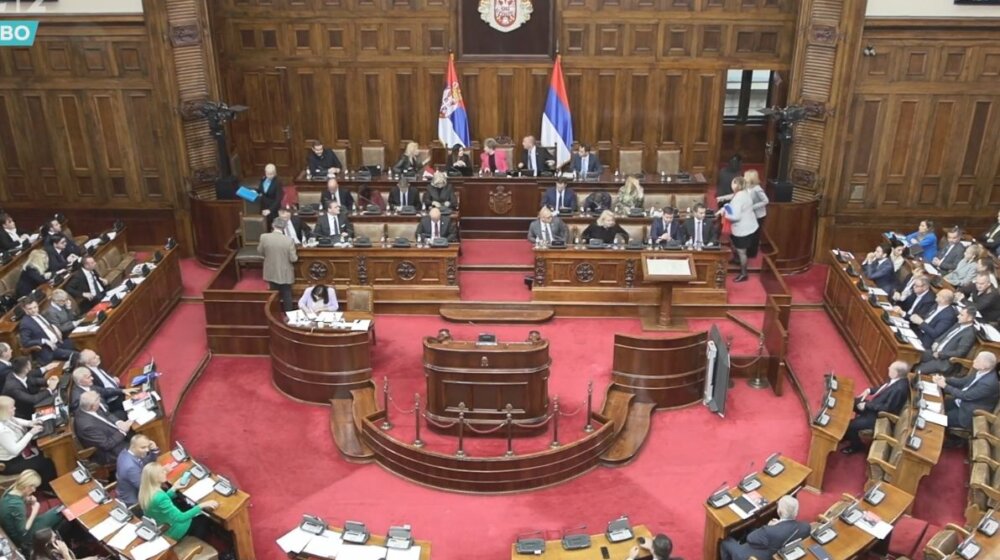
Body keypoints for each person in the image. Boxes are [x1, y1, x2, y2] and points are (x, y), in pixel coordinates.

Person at [840, 361, 911, 454]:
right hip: (874, 406)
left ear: (896, 373)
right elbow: (884, 389)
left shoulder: (899, 389)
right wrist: (869, 390)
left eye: (891, 368)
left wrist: (866, 405)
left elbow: (887, 408)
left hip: (878, 415)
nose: (888, 368)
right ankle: (847, 434)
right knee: (850, 402)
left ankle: (856, 446)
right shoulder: (897, 379)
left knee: (852, 425)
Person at [138, 463, 219, 541]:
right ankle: (198, 541)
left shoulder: (145, 492)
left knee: (186, 507)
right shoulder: (160, 496)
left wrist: (174, 488)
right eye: (162, 472)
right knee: (204, 518)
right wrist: (201, 505)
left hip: (164, 524)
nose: (165, 472)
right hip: (175, 530)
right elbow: (180, 518)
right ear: (155, 478)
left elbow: (158, 503)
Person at [720, 496, 811, 559]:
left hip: (761, 556)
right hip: (781, 552)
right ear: (796, 512)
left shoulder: (769, 530)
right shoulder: (806, 527)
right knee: (750, 529)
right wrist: (778, 525)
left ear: (779, 511)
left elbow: (750, 538)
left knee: (726, 542)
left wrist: (770, 526)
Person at [933, 351, 999, 432]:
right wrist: (945, 379)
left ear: (984, 366)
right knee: (934, 405)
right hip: (959, 402)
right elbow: (963, 381)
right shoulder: (981, 371)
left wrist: (945, 386)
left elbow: (966, 396)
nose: (974, 361)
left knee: (937, 419)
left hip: (966, 413)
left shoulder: (989, 383)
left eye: (977, 360)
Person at [0, 470, 63, 554]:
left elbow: (12, 507)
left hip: (10, 528)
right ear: (27, 486)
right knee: (59, 511)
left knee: (55, 512)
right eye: (33, 487)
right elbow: (23, 531)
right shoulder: (17, 505)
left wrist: (26, 499)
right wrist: (35, 510)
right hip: (22, 537)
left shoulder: (10, 490)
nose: (34, 490)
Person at [0, 396, 57, 485]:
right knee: (45, 463)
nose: (15, 408)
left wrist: (30, 423)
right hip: (10, 462)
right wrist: (31, 433)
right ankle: (48, 487)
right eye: (11, 408)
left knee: (45, 450)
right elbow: (15, 451)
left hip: (21, 452)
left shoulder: (5, 417)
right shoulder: (2, 431)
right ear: (4, 411)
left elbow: (16, 420)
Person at [73, 391, 133, 465]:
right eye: (98, 402)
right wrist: (122, 432)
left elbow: (107, 414)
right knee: (140, 448)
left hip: (113, 433)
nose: (100, 404)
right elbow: (106, 445)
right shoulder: (87, 426)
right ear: (93, 406)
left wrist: (119, 423)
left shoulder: (87, 407)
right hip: (110, 452)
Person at [916, 304, 977, 375]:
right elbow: (946, 334)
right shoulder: (958, 324)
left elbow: (960, 353)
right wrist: (937, 341)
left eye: (961, 315)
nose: (958, 316)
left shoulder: (969, 334)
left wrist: (940, 354)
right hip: (935, 352)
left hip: (945, 362)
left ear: (970, 318)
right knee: (914, 355)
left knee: (917, 370)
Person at [257, 218, 298, 312]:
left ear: (273, 225)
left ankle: (273, 312)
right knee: (287, 294)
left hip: (270, 270)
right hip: (285, 273)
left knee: (273, 294)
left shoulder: (264, 237)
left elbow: (260, 251)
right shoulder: (289, 240)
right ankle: (288, 314)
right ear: (284, 227)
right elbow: (293, 259)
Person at [18, 300, 77, 365]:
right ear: (25, 310)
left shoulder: (39, 315)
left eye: (35, 307)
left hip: (59, 342)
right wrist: (43, 341)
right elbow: (25, 342)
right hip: (49, 350)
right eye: (30, 309)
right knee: (76, 355)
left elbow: (46, 327)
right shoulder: (25, 323)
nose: (34, 310)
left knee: (78, 345)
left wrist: (54, 327)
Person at [724, 177, 759, 283]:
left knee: (741, 251)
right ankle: (736, 260)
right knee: (736, 246)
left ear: (736, 185)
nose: (731, 185)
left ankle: (744, 274)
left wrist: (726, 213)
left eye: (732, 183)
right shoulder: (745, 192)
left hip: (742, 229)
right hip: (750, 225)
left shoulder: (738, 198)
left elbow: (735, 217)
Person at [115, 434, 159, 508]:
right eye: (143, 447)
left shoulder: (126, 452)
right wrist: (160, 476)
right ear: (133, 446)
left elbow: (145, 462)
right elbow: (144, 487)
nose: (147, 450)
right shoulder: (131, 467)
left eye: (148, 446)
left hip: (131, 488)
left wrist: (154, 450)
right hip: (134, 501)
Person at [31, 527, 100, 560]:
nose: (56, 536)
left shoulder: (39, 550)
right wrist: (65, 552)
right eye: (54, 537)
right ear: (46, 544)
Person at [744, 169, 769, 258]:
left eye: (745, 176)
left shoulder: (757, 189)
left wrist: (752, 206)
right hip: (750, 214)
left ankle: (752, 253)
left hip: (758, 216)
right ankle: (747, 250)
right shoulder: (746, 187)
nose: (744, 177)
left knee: (755, 234)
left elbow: (766, 201)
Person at [256, 163, 283, 228]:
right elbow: (260, 190)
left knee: (272, 227)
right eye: (268, 174)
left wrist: (270, 210)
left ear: (275, 173)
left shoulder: (278, 182)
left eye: (271, 174)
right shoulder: (263, 179)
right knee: (263, 226)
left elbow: (278, 199)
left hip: (273, 209)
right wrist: (255, 191)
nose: (269, 176)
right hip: (263, 207)